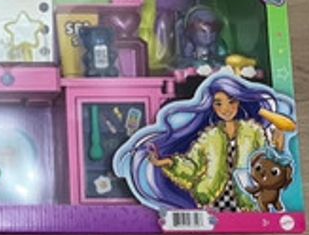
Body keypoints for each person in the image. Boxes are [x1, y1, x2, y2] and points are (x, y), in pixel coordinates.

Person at [115, 72, 297, 213]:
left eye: (231, 102)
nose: (226, 109)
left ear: (239, 102)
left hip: (247, 199)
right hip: (213, 201)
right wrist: (168, 162)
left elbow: (266, 162)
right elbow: (193, 168)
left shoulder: (253, 132)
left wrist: (277, 148)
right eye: (218, 104)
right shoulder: (210, 137)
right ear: (212, 106)